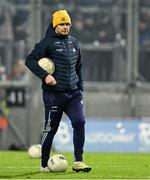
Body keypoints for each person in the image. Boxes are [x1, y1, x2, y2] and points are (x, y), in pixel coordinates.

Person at [25, 10, 92, 173]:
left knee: (80, 122)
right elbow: (30, 60)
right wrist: (45, 76)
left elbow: (79, 67)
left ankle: (78, 162)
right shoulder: (46, 44)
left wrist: (80, 88)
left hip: (73, 94)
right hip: (53, 95)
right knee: (51, 128)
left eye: (67, 24)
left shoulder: (75, 43)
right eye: (61, 24)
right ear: (55, 25)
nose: (65, 27)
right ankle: (43, 164)